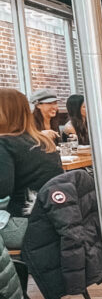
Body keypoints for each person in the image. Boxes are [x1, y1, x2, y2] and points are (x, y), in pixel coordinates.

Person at [0, 88, 63, 248]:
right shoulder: (43, 141)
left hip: (25, 225)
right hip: (55, 221)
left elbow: (2, 190)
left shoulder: (4, 144)